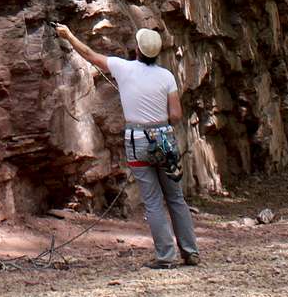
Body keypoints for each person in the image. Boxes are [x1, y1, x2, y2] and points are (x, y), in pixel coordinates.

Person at [56, 20, 200, 269]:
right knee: (175, 198)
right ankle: (190, 251)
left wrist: (68, 35)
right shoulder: (167, 77)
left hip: (137, 140)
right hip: (164, 138)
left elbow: (90, 55)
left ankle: (165, 257)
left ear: (138, 49)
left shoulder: (123, 68)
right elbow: (176, 115)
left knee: (153, 201)